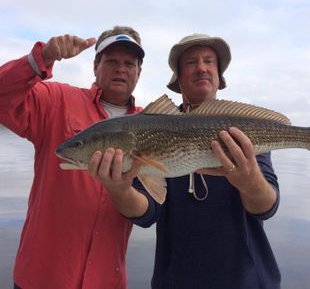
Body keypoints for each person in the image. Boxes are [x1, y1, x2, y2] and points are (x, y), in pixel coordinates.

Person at [90, 34, 281, 289]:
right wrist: (119, 189)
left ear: (219, 75)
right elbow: (147, 213)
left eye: (209, 61)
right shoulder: (148, 129)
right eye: (191, 62)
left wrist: (250, 181)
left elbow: (267, 206)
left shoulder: (241, 130)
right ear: (178, 78)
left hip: (247, 280)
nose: (201, 67)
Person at [0, 26, 145, 289]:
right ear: (95, 66)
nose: (121, 69)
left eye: (129, 63)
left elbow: (150, 205)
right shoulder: (56, 100)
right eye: (111, 61)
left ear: (139, 72)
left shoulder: (151, 123)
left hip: (107, 280)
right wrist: (40, 59)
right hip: (41, 277)